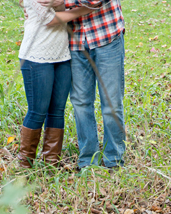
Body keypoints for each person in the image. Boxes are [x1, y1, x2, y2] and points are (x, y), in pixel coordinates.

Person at [37, 0, 126, 170]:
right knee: (81, 103)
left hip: (106, 34)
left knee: (112, 102)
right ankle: (88, 160)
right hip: (75, 41)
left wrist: (62, 1)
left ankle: (114, 160)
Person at [18, 0, 93, 168]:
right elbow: (49, 20)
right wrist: (84, 10)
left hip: (62, 55)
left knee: (57, 111)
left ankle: (51, 164)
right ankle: (25, 165)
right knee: (38, 111)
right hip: (36, 56)